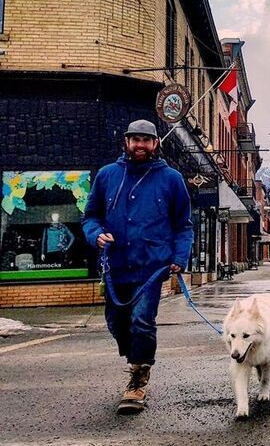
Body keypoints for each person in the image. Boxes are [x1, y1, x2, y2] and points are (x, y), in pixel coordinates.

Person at [82, 119, 193, 415]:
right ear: (126, 142)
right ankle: (136, 357)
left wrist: (179, 258)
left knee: (142, 321)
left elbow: (183, 226)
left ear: (156, 144)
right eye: (135, 140)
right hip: (115, 267)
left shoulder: (171, 179)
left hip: (151, 267)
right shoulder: (107, 175)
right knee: (117, 324)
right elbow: (90, 217)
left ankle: (138, 377)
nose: (140, 145)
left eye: (146, 140)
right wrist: (96, 235)